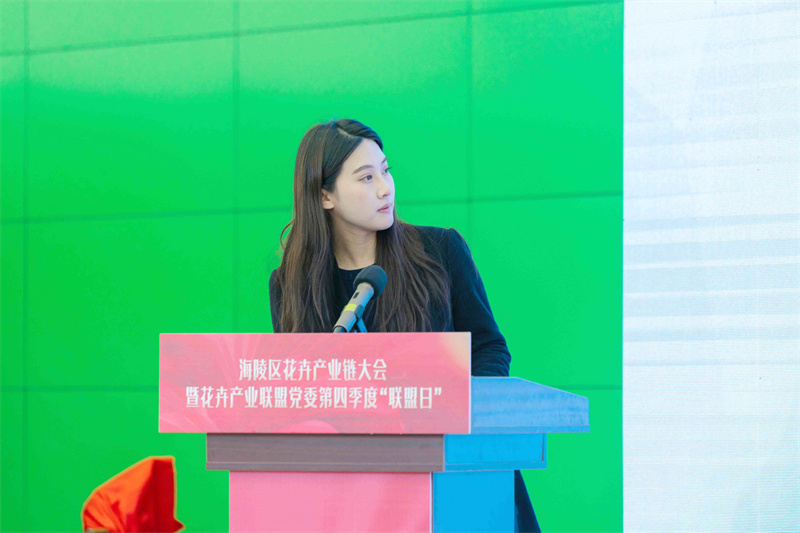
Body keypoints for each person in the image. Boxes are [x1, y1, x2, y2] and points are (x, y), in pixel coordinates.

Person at [268, 118, 541, 532]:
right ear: (324, 195)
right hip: (360, 494)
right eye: (366, 177)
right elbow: (300, 391)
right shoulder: (291, 285)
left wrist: (463, 417)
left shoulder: (439, 250)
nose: (385, 188)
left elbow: (489, 348)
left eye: (386, 170)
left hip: (458, 471)